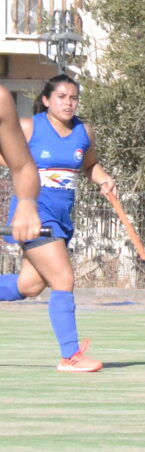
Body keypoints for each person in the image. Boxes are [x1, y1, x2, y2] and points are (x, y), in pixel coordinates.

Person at [1, 74, 119, 371]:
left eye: (73, 98)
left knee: (29, 285)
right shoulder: (29, 127)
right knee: (63, 279)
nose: (68, 103)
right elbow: (12, 159)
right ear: (46, 100)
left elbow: (90, 165)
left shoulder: (84, 131)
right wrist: (18, 169)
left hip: (63, 217)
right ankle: (71, 355)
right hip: (35, 215)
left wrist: (103, 178)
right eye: (61, 97)